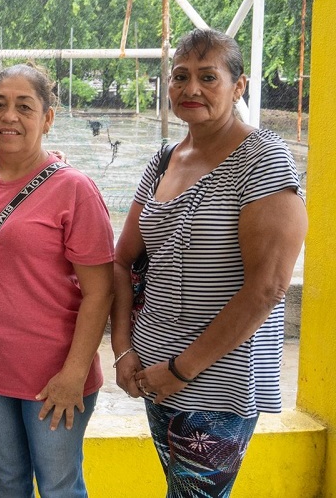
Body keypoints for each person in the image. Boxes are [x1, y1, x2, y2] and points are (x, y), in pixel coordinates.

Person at [110, 29, 307, 497]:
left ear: (239, 86)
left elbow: (268, 288)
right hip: (151, 370)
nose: (191, 89)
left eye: (208, 77)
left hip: (218, 381)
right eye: (180, 77)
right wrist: (122, 349)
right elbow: (122, 260)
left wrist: (180, 369)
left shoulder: (263, 160)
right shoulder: (165, 158)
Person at [0, 64, 114, 497]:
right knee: (7, 482)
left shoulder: (74, 189)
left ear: (48, 118)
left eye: (25, 106)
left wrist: (74, 373)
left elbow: (100, 292)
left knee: (59, 485)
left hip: (56, 375)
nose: (9, 116)